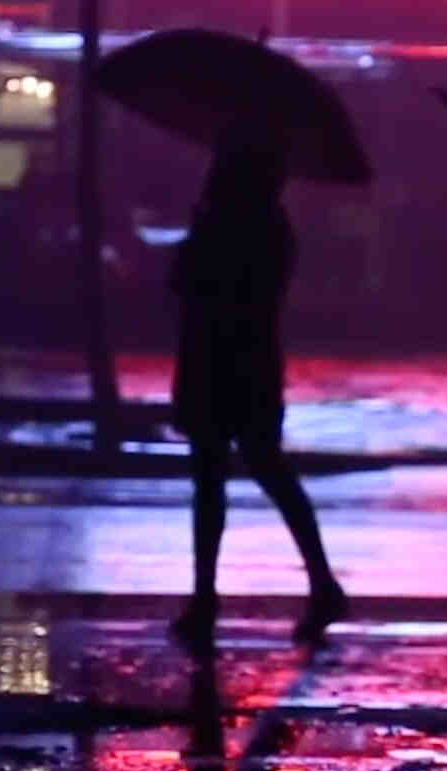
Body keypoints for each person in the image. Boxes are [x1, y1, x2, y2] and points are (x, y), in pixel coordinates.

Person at [169, 140, 348, 653]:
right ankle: (316, 583)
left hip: (217, 359)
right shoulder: (273, 228)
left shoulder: (236, 227)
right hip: (249, 362)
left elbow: (185, 283)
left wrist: (199, 232)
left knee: (215, 478)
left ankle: (208, 598)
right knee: (263, 471)